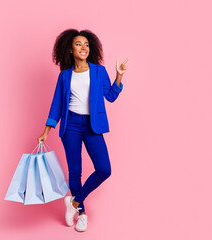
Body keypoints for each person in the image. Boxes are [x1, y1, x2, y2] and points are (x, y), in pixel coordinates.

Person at [37, 28, 128, 232]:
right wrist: (46, 131)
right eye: (79, 44)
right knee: (75, 171)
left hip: (93, 126)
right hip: (71, 126)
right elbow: (56, 105)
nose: (83, 48)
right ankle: (82, 214)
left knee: (104, 169)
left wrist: (119, 76)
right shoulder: (64, 76)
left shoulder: (98, 71)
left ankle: (74, 202)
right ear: (70, 49)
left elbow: (111, 96)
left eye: (86, 44)